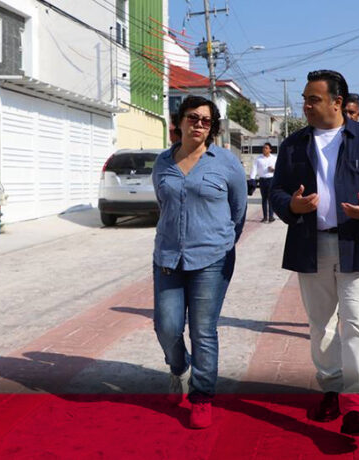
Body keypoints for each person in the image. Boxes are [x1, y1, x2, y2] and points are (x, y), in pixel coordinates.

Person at [270, 70, 359, 438]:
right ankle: (330, 389)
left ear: (337, 102)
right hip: (310, 245)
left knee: (356, 322)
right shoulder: (293, 145)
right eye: (305, 99)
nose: (306, 106)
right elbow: (276, 192)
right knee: (321, 325)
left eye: (313, 99)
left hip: (358, 242)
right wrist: (292, 206)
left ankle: (357, 406)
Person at [152, 95, 247, 429]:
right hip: (168, 256)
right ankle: (179, 369)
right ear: (180, 121)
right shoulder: (162, 162)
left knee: (203, 331)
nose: (199, 124)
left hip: (212, 259)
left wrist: (220, 241)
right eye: (193, 117)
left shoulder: (226, 162)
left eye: (206, 121)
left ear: (213, 127)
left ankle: (202, 396)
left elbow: (239, 209)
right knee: (166, 326)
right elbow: (163, 204)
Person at [250, 142, 277, 222]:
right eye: (263, 148)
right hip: (262, 180)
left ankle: (271, 217)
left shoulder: (274, 158)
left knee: (270, 199)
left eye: (266, 148)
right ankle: (265, 217)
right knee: (264, 199)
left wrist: (273, 170)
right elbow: (254, 168)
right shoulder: (259, 159)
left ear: (270, 150)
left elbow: (279, 168)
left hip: (271, 179)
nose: (264, 149)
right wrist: (252, 178)